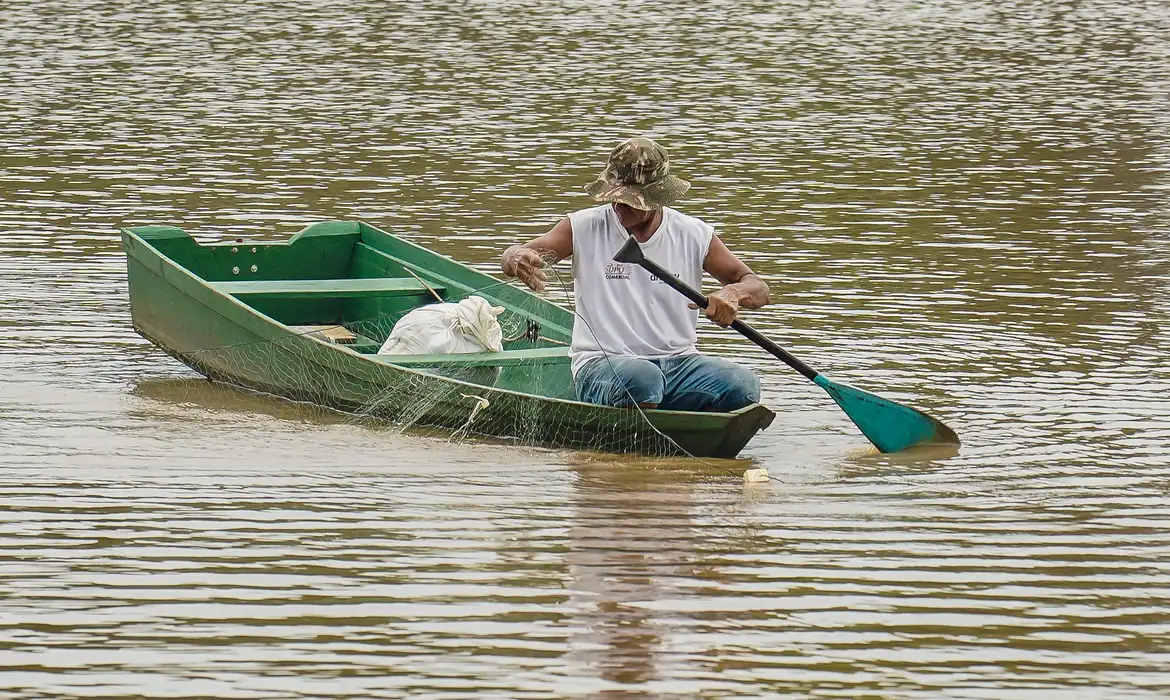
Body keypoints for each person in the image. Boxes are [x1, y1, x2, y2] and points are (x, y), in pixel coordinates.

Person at [500, 137, 770, 412]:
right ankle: (644, 446)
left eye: (630, 202)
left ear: (658, 197)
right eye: (614, 197)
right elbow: (517, 256)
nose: (618, 207)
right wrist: (514, 256)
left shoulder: (693, 234)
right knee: (644, 380)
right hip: (603, 363)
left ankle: (683, 431)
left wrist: (733, 293)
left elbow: (758, 287)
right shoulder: (582, 226)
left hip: (679, 363)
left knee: (742, 386)